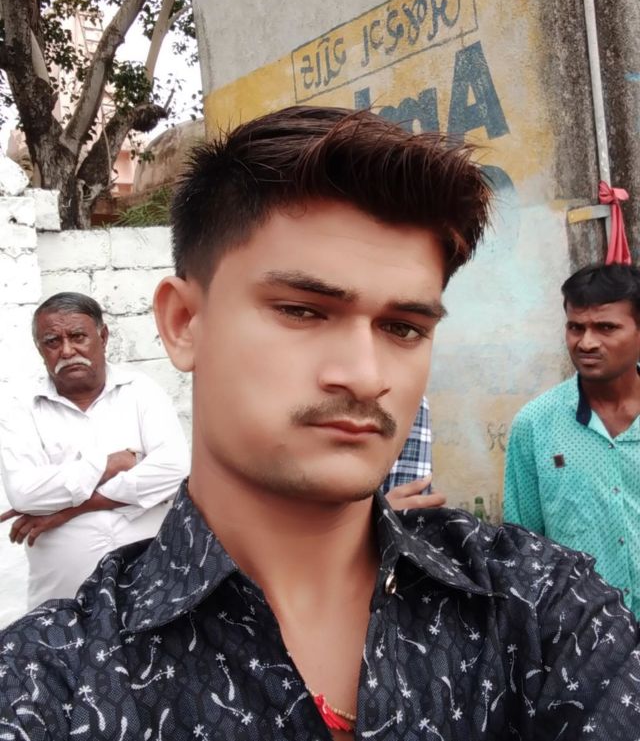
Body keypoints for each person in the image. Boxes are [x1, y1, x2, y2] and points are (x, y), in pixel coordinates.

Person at [1, 108, 638, 741]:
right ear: (184, 323)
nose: (365, 375)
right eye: (303, 311)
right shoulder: (54, 681)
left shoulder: (540, 607)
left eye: (403, 328)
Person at [0, 292, 190, 608]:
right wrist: (110, 463)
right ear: (39, 349)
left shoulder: (141, 392)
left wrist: (70, 509)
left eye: (78, 337)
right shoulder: (22, 410)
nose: (67, 350)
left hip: (151, 591)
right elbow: (25, 493)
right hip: (64, 600)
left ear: (102, 337)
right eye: (52, 341)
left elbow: (175, 469)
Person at [504, 262, 640, 616]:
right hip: (580, 633)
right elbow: (523, 548)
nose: (586, 342)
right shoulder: (535, 425)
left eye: (606, 327)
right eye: (576, 327)